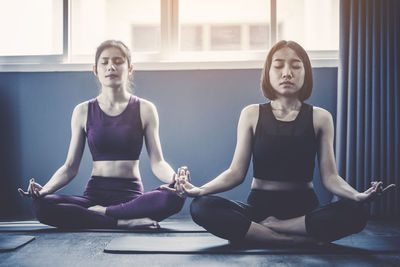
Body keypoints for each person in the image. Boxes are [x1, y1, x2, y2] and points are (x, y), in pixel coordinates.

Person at [171, 40, 395, 245]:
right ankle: (295, 241)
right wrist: (200, 190)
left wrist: (357, 196)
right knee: (201, 207)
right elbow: (235, 173)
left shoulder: (321, 117)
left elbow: (331, 178)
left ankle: (270, 231)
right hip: (259, 209)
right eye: (278, 65)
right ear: (268, 72)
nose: (287, 72)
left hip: (304, 212)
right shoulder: (251, 114)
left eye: (295, 66)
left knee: (358, 212)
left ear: (305, 72)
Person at [18, 40, 186, 229]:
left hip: (131, 198)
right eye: (104, 62)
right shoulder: (82, 111)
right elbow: (70, 167)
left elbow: (158, 163)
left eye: (118, 61)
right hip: (94, 196)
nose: (111, 67)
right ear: (95, 70)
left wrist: (175, 180)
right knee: (41, 206)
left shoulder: (145, 109)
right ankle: (121, 221)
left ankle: (105, 215)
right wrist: (45, 190)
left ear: (129, 68)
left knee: (174, 198)